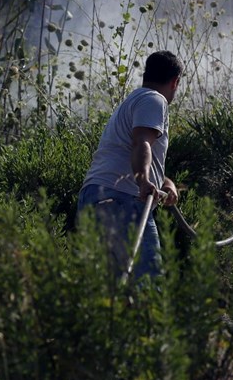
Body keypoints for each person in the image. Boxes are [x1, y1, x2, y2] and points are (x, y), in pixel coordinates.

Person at [77, 50, 182, 279]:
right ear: (175, 82)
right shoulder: (155, 99)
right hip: (123, 200)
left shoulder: (133, 101)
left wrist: (165, 182)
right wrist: (143, 181)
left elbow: (133, 151)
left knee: (109, 292)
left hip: (95, 198)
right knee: (146, 285)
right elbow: (142, 143)